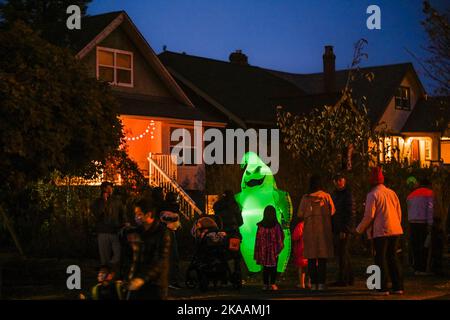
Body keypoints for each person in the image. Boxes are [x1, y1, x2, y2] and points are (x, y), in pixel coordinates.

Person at [356, 166, 404, 295]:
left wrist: (359, 229)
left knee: (380, 258)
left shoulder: (372, 195)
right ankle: (398, 286)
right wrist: (397, 224)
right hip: (395, 229)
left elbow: (369, 216)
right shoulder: (392, 193)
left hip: (381, 231)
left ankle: (381, 287)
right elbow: (398, 212)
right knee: (392, 257)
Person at [127, 198, 172, 300]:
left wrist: (143, 279)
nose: (136, 217)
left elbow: (160, 260)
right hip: (137, 281)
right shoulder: (138, 231)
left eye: (139, 214)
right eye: (136, 214)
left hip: (155, 283)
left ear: (148, 214)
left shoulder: (162, 233)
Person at [297, 175, 335, 291]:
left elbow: (299, 214)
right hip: (324, 232)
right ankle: (322, 284)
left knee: (311, 259)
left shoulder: (305, 198)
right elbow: (333, 211)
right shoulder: (326, 197)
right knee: (323, 259)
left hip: (310, 232)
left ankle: (313, 284)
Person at [90, 181, 127, 274]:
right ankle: (105, 277)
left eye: (111, 187)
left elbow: (122, 213)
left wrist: (124, 224)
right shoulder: (97, 202)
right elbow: (96, 215)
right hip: (103, 231)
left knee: (117, 254)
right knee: (104, 257)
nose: (110, 189)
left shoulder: (117, 201)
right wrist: (104, 202)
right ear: (103, 189)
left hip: (115, 231)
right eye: (107, 188)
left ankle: (114, 272)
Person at [331, 172, 355, 286]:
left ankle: (343, 279)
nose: (338, 182)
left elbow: (350, 213)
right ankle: (348, 278)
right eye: (336, 180)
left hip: (344, 228)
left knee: (342, 253)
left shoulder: (347, 194)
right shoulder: (335, 194)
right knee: (343, 253)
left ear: (344, 180)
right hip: (338, 227)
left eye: (340, 179)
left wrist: (345, 229)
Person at [406, 176, 434, 275]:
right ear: (429, 185)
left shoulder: (411, 195)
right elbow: (430, 209)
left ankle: (416, 267)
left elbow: (408, 209)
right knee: (424, 246)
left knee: (415, 246)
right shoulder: (430, 193)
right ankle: (423, 268)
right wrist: (430, 223)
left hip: (412, 222)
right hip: (423, 222)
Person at [254, 206, 284, 291]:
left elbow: (258, 239)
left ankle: (265, 284)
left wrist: (259, 250)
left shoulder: (260, 225)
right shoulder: (276, 226)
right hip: (274, 250)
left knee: (265, 268)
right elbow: (280, 237)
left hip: (264, 251)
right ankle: (273, 284)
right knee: (274, 268)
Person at [160, 192, 182, 289]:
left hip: (165, 232)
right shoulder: (172, 209)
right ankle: (172, 281)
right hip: (169, 232)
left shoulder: (161, 207)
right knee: (173, 257)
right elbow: (174, 220)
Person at [292, 220, 309, 289]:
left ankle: (302, 284)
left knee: (302, 267)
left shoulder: (301, 225)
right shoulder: (315, 223)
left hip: (302, 248)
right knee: (311, 265)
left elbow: (295, 237)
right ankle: (310, 283)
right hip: (312, 248)